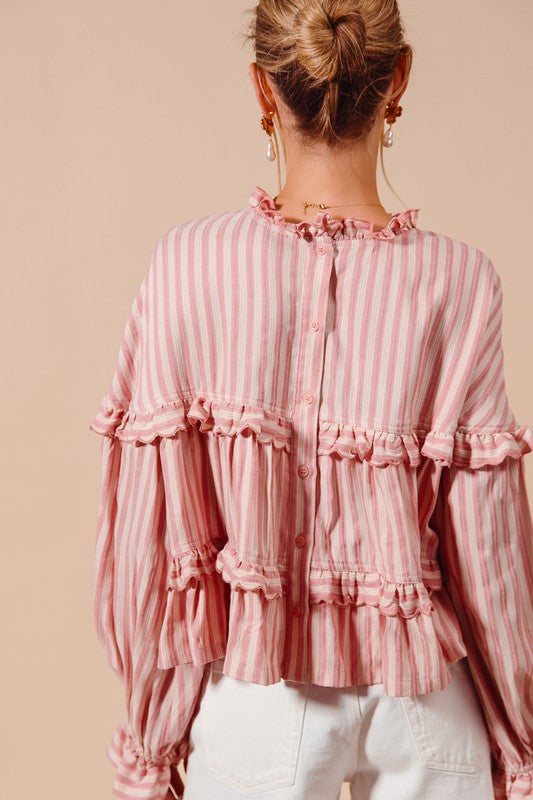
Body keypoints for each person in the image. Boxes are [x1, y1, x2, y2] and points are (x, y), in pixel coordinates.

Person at [88, 1, 533, 799]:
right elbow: (488, 547)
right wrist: (518, 739)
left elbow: (149, 538)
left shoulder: (187, 262)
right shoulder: (460, 279)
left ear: (263, 87)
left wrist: (153, 740)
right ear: (398, 78)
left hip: (257, 695)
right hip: (427, 698)